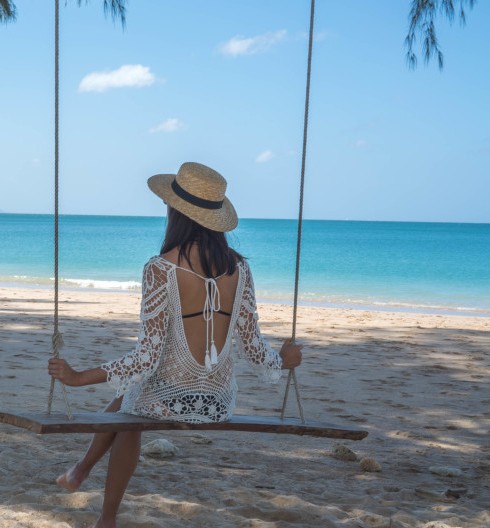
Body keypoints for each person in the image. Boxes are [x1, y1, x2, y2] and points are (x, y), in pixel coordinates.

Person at [47, 162, 303, 528]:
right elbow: (253, 346)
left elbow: (145, 359)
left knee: (131, 408)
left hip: (170, 401)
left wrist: (77, 378)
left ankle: (104, 515)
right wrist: (283, 360)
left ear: (175, 211)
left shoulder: (161, 268)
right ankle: (78, 473)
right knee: (133, 396)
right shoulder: (240, 268)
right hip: (218, 404)